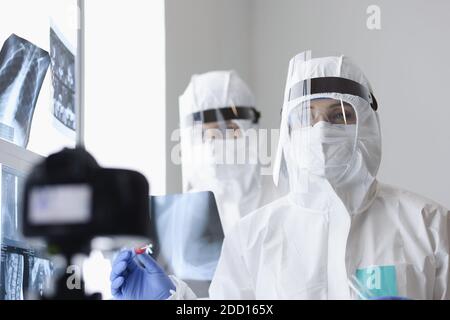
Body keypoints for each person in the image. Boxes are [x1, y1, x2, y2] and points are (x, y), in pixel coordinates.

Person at [110, 53, 449, 300]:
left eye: (340, 115)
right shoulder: (251, 236)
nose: (321, 130)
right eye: (307, 116)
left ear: (368, 124)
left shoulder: (429, 224)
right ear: (288, 129)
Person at [178, 70, 286, 235]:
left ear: (251, 129)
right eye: (201, 134)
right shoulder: (183, 212)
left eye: (227, 129)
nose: (212, 144)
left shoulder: (286, 199)